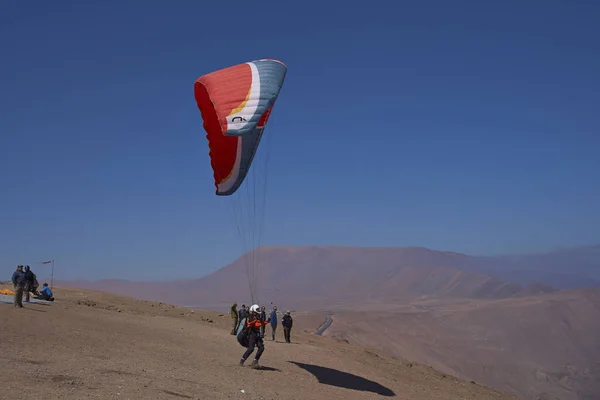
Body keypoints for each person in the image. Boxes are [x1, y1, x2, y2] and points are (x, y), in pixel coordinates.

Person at [239, 304, 270, 369]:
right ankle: (242, 361)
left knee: (261, 347)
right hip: (251, 333)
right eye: (257, 309)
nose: (258, 311)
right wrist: (255, 320)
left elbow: (260, 323)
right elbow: (249, 324)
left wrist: (267, 322)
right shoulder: (249, 316)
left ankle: (255, 361)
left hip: (257, 334)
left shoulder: (257, 316)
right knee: (251, 348)